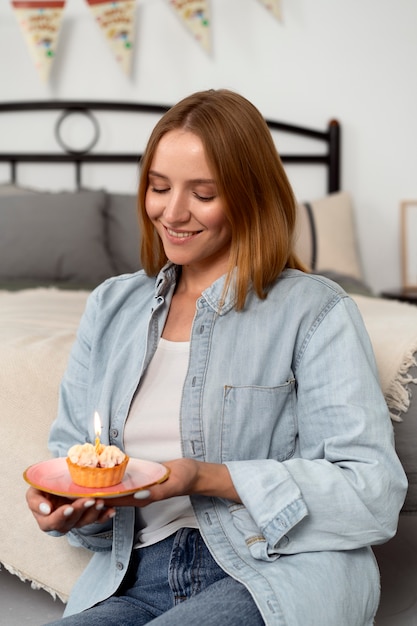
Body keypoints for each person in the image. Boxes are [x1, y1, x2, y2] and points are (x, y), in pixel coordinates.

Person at [26, 89, 407, 626]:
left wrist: (203, 477)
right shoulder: (111, 306)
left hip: (275, 569)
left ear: (249, 196)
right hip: (131, 578)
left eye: (202, 194)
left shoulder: (315, 310)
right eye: (158, 187)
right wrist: (67, 509)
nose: (172, 212)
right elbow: (74, 463)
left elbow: (372, 492)